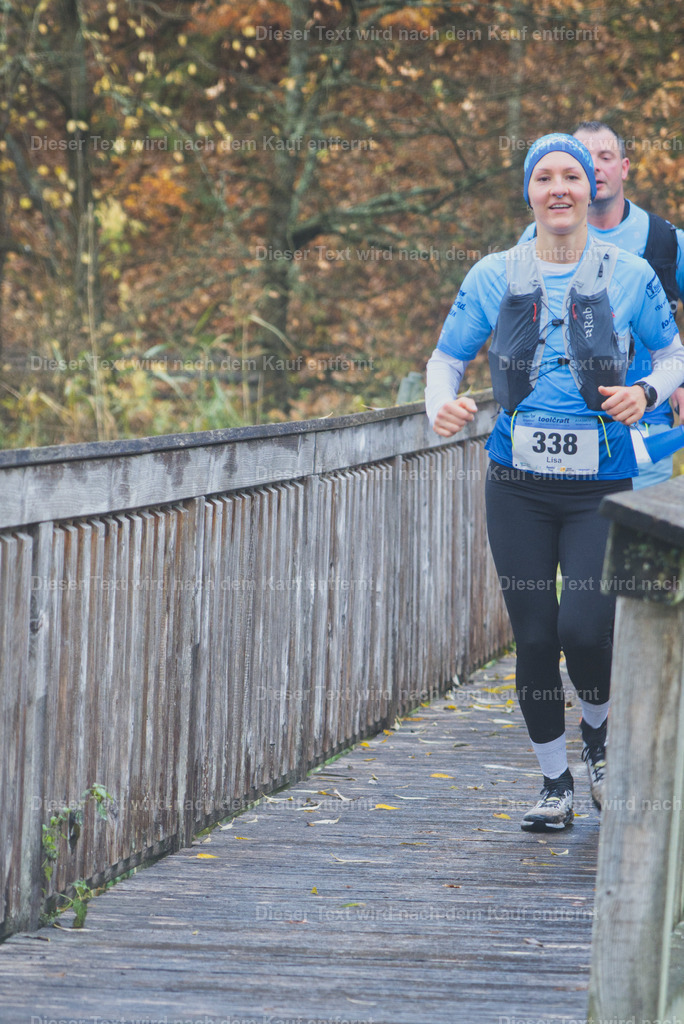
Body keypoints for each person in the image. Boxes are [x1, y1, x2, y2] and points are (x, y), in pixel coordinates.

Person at [425, 133, 684, 832]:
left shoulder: (631, 273)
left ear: (592, 186)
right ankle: (553, 784)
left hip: (603, 484)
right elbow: (445, 361)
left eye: (573, 174)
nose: (561, 187)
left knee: (585, 627)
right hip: (518, 486)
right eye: (546, 177)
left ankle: (597, 737)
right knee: (536, 635)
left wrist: (651, 394)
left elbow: (672, 352)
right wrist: (440, 406)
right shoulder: (492, 274)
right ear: (530, 192)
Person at [519, 121, 684, 488]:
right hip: (558, 431)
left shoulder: (667, 240)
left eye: (605, 156)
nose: (594, 166)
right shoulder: (533, 238)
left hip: (646, 429)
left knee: (632, 541)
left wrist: (675, 380)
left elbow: (673, 350)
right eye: (584, 159)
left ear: (623, 167)